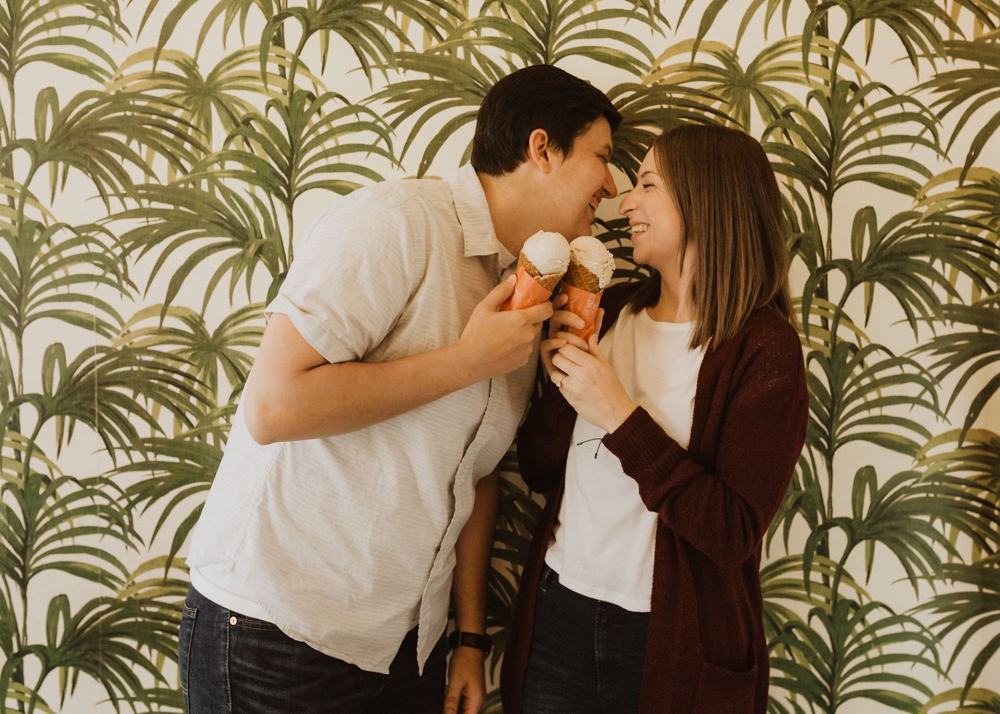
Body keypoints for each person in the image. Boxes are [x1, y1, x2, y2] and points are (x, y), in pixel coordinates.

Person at [178, 64, 621, 714]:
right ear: (542, 148)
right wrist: (467, 362)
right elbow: (274, 407)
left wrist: (467, 638)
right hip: (279, 633)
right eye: (603, 158)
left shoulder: (525, 291)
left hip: (405, 654)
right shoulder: (398, 223)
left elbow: (474, 472)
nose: (610, 187)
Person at [500, 123, 809, 714]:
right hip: (558, 614)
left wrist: (619, 413)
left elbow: (731, 533)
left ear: (706, 198)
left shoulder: (763, 349)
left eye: (647, 184)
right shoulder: (610, 311)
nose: (625, 202)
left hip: (668, 643)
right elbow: (539, 472)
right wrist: (560, 390)